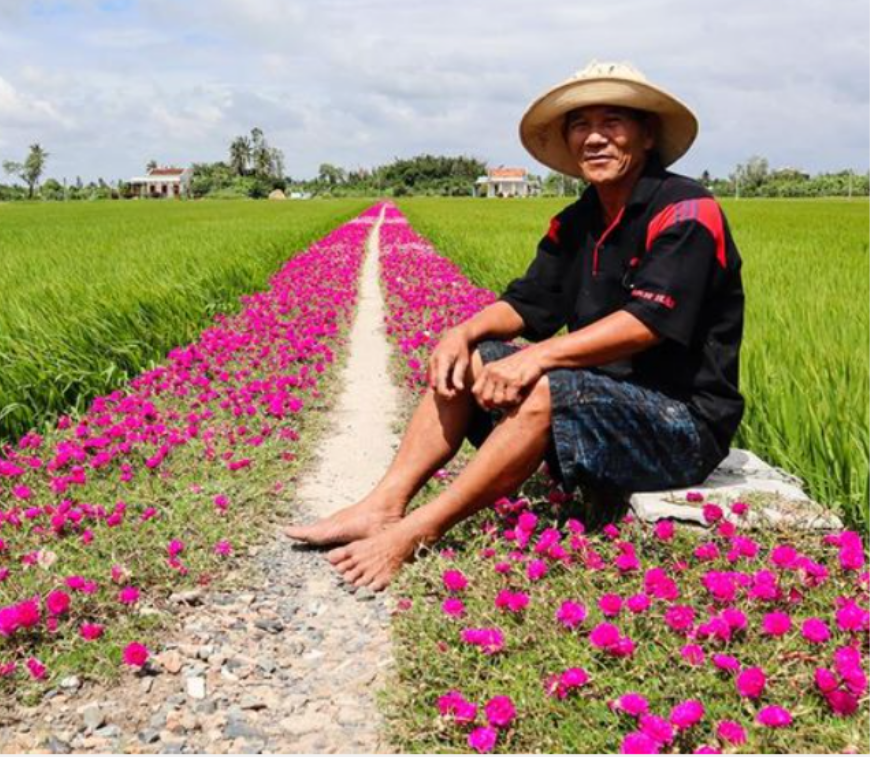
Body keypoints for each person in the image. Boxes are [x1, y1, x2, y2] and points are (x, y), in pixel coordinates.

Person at [285, 61, 745, 590]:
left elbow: (648, 322)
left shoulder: (687, 209)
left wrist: (540, 355)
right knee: (473, 359)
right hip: (604, 397)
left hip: (680, 426)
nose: (594, 137)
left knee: (549, 384)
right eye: (580, 125)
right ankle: (384, 504)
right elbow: (531, 303)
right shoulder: (577, 220)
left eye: (613, 121)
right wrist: (461, 333)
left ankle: (415, 533)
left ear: (646, 136)